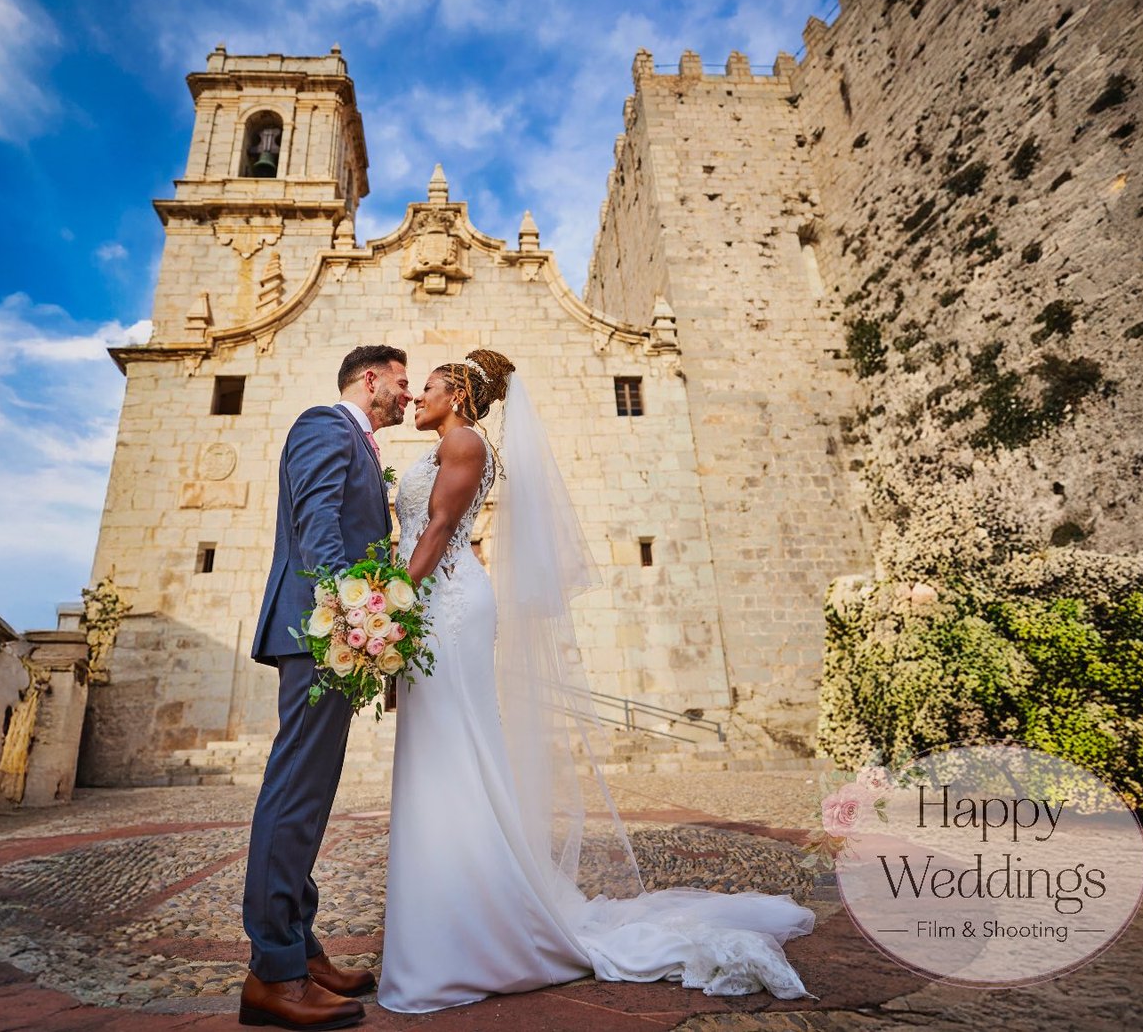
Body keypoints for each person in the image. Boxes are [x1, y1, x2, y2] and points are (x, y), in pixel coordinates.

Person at [379, 349, 816, 1013]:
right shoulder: (453, 441)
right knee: (441, 750)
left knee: (453, 749)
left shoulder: (466, 440)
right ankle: (453, 905)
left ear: (461, 393)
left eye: (430, 388)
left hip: (444, 602)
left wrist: (383, 611)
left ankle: (473, 920)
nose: (417, 398)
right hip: (431, 603)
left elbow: (439, 528)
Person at [242, 345, 412, 1030]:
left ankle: (301, 948)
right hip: (321, 633)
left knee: (309, 799)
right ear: (369, 379)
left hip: (334, 634)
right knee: (293, 793)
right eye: (401, 382)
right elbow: (317, 528)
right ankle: (272, 974)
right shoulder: (324, 424)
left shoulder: (362, 445)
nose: (405, 394)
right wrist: (355, 619)